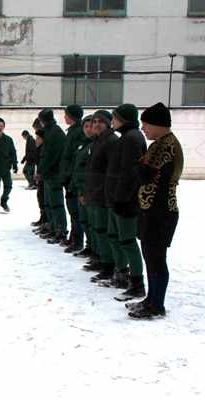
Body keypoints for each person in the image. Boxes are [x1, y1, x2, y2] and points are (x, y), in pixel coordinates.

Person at [127, 103, 183, 320]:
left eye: (146, 124)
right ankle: (151, 299)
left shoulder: (166, 146)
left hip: (161, 211)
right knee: (151, 257)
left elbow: (146, 175)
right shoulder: (159, 144)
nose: (143, 128)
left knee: (156, 258)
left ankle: (157, 304)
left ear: (159, 124)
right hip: (152, 210)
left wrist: (137, 163)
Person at [104, 104, 147, 300]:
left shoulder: (132, 138)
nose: (112, 122)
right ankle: (121, 274)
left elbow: (130, 173)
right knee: (115, 237)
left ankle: (137, 283)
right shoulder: (126, 137)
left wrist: (121, 198)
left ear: (125, 119)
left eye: (115, 118)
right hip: (116, 198)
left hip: (126, 201)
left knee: (128, 241)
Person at [84, 110, 119, 283]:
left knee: (105, 232)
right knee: (98, 230)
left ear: (108, 123)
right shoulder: (97, 141)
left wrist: (105, 194)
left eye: (100, 122)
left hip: (104, 196)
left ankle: (109, 266)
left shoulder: (111, 141)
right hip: (95, 194)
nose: (96, 124)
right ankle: (103, 261)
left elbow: (111, 172)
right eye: (94, 121)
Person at [37, 109, 66, 243]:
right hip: (50, 173)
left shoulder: (54, 132)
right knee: (49, 203)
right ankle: (53, 227)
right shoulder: (50, 131)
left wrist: (41, 171)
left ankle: (60, 230)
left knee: (56, 204)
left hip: (54, 173)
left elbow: (50, 156)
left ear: (43, 120)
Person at [60, 105, 85, 249]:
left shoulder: (78, 132)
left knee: (75, 212)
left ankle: (77, 240)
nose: (64, 117)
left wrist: (68, 175)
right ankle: (74, 238)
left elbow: (74, 157)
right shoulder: (72, 131)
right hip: (68, 176)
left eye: (66, 115)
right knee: (72, 210)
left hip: (72, 178)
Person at [70, 115, 95, 256]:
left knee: (91, 222)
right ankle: (90, 246)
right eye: (85, 126)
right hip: (80, 188)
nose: (88, 129)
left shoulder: (93, 145)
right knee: (84, 220)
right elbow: (77, 166)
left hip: (89, 189)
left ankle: (94, 249)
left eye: (90, 126)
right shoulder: (83, 144)